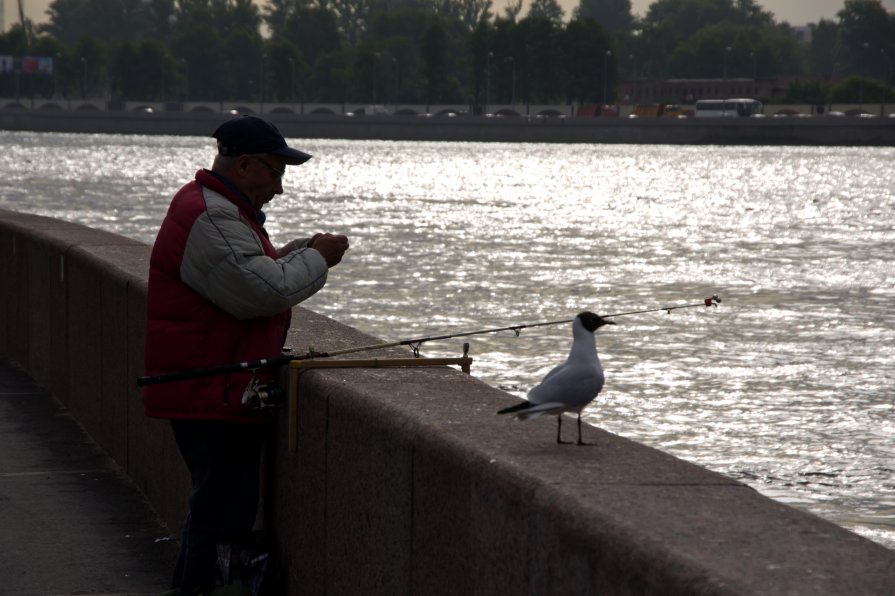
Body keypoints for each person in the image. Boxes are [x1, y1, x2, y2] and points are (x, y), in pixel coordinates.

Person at [142, 115, 349, 595]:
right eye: (275, 173)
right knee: (218, 518)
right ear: (245, 165)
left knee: (215, 512)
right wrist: (319, 259)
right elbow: (260, 291)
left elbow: (250, 270)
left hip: (213, 389)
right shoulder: (211, 215)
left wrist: (299, 250)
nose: (279, 188)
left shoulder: (214, 208)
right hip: (211, 392)